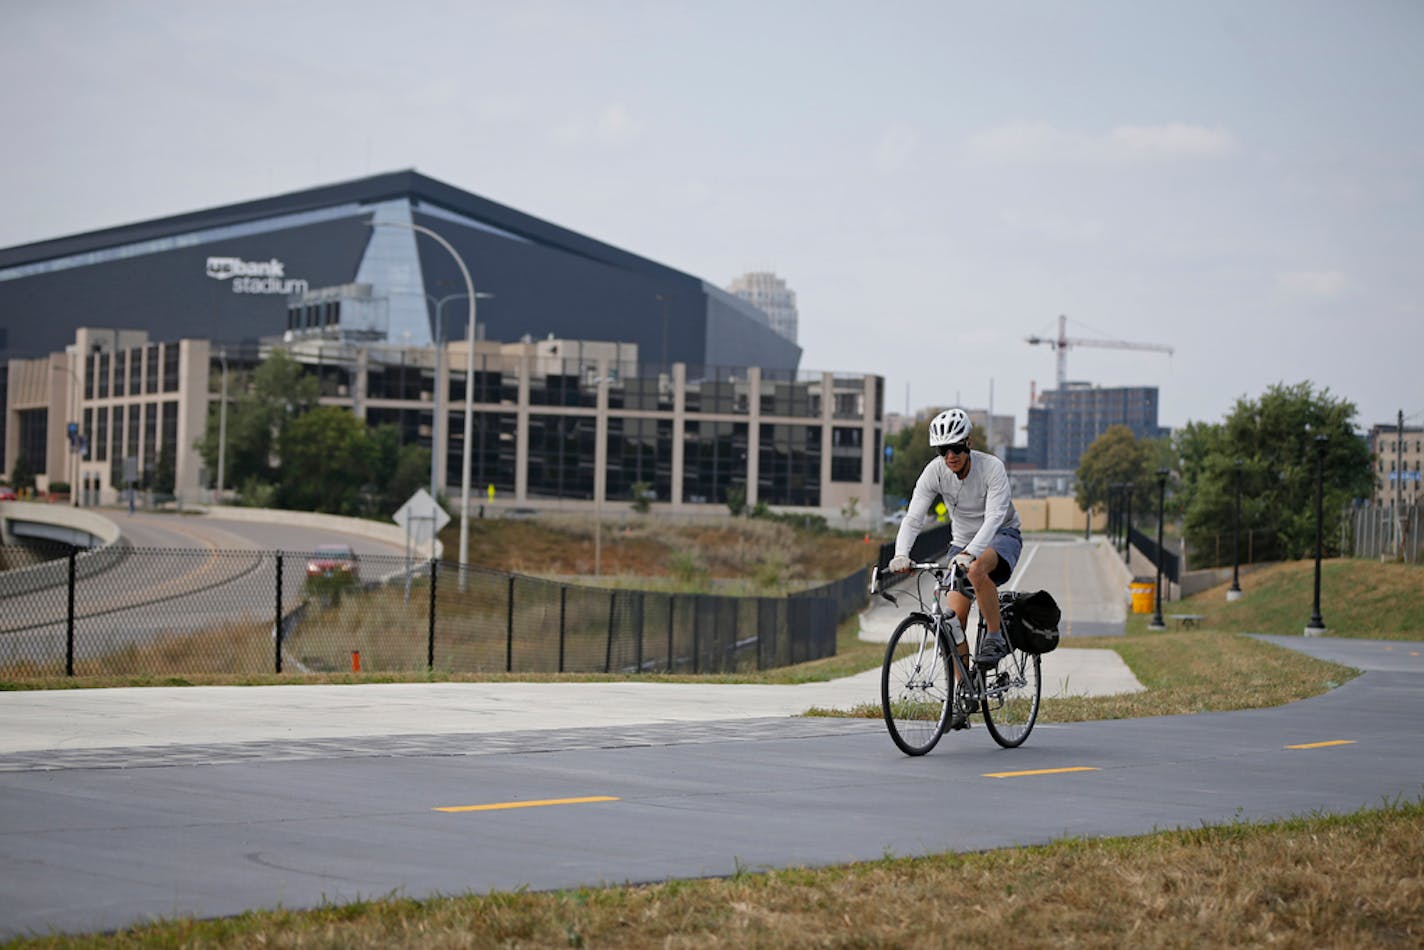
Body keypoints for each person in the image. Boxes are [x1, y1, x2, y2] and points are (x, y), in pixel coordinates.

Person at [888, 407, 1023, 676]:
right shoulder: (934, 472)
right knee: (953, 621)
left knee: (975, 569)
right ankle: (962, 693)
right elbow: (914, 518)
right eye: (943, 450)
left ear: (968, 443)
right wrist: (901, 553)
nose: (950, 456)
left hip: (1002, 535)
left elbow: (995, 518)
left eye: (956, 448)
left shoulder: (992, 468)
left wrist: (971, 553)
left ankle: (995, 637)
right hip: (961, 543)